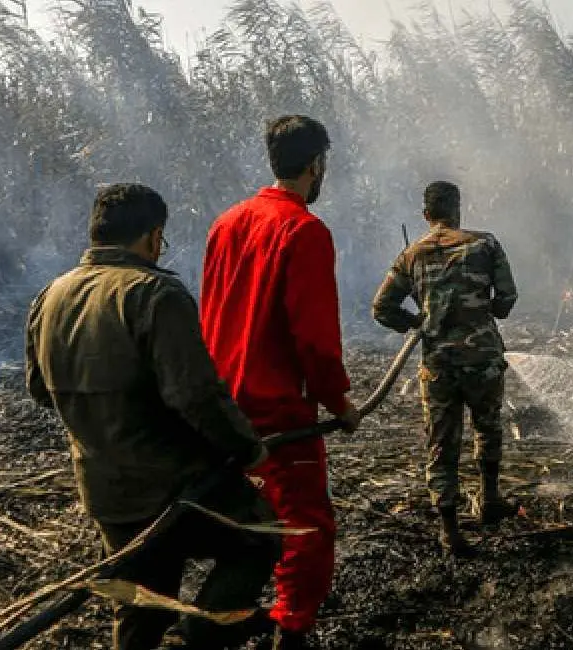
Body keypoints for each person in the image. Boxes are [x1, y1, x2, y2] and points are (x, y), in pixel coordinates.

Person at [24, 183, 279, 650]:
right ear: (153, 235)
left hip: (105, 490)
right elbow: (196, 396)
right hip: (175, 487)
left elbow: (40, 390)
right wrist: (248, 448)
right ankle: (193, 637)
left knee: (140, 605)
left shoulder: (50, 296)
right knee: (258, 540)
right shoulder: (155, 293)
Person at [200, 115, 359, 648]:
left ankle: (221, 616)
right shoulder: (305, 230)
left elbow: (212, 313)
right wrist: (338, 402)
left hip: (220, 404)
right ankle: (290, 628)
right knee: (305, 523)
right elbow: (313, 337)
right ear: (316, 165)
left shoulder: (226, 223)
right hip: (276, 407)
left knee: (237, 518)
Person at [371, 180, 520, 558]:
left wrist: (416, 321)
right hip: (483, 361)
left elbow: (381, 308)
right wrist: (486, 309)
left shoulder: (411, 255)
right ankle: (489, 501)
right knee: (488, 428)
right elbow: (506, 300)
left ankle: (450, 531)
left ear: (426, 215)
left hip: (439, 366)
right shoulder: (485, 245)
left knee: (441, 444)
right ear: (457, 210)